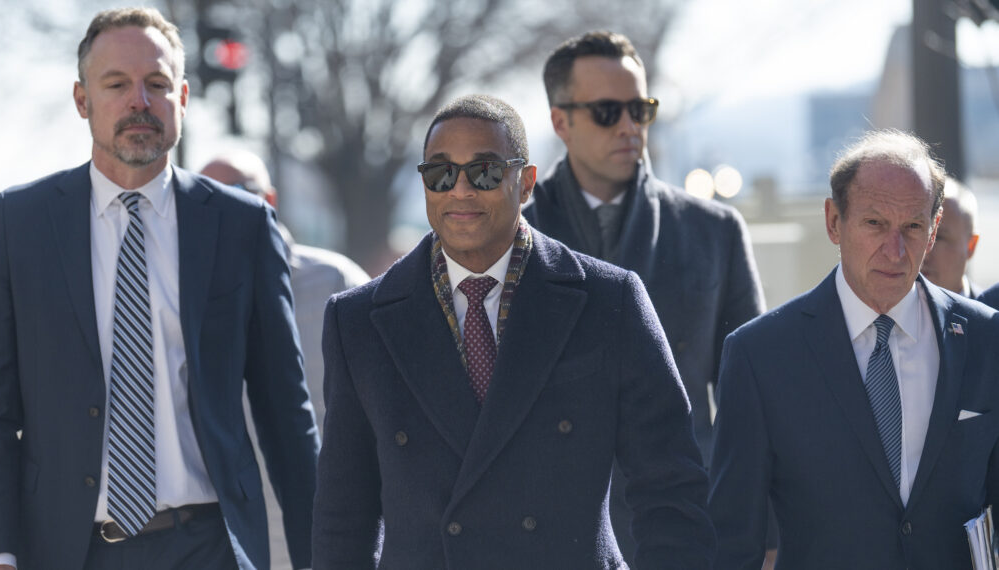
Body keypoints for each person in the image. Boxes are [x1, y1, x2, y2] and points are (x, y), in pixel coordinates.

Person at [311, 94, 715, 569]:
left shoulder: (610, 301)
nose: (460, 190)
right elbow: (344, 514)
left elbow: (670, 488)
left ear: (525, 183)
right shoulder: (358, 321)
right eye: (441, 174)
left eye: (483, 171)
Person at [0, 8, 319, 570]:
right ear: (82, 100)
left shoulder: (241, 227)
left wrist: (323, 554)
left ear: (183, 98)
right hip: (69, 551)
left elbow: (286, 410)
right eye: (116, 84)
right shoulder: (17, 224)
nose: (140, 100)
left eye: (158, 84)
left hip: (211, 546)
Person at [522, 30, 765, 559]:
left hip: (684, 524)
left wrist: (760, 531)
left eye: (641, 108)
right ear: (560, 121)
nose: (630, 127)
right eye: (609, 111)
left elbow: (748, 402)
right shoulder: (517, 235)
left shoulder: (713, 230)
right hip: (547, 531)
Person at [708, 130, 999, 569]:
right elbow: (733, 542)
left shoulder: (986, 338)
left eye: (913, 227)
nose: (895, 250)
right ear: (833, 222)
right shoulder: (760, 356)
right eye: (875, 224)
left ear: (934, 227)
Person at [200, 150, 369, 567]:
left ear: (270, 200)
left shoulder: (336, 282)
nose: (224, 208)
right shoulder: (184, 304)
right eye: (206, 199)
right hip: (232, 546)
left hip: (335, 536)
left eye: (239, 192)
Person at [920, 177, 982, 298]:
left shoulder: (992, 314)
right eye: (914, 229)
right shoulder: (881, 314)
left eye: (938, 237)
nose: (923, 250)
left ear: (971, 245)